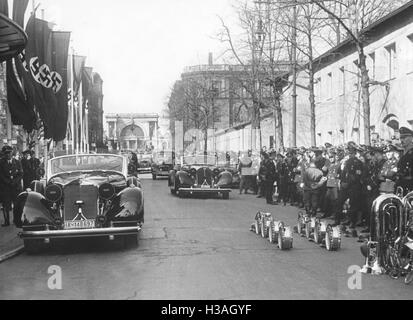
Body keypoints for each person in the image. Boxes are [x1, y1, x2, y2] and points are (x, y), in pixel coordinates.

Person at [334, 142, 364, 231]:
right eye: (349, 153)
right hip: (344, 185)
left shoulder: (358, 162)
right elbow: (341, 172)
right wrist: (342, 181)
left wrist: (348, 183)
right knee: (339, 202)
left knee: (353, 205)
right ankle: (337, 220)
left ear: (355, 153)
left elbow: (357, 176)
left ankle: (352, 222)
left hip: (353, 186)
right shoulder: (345, 162)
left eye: (351, 153)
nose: (350, 155)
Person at [0, 146, 23, 227]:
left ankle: (17, 220)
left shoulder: (17, 162)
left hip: (16, 187)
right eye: (6, 153)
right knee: (6, 205)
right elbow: (1, 175)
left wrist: (14, 181)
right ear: (4, 154)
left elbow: (20, 174)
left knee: (17, 205)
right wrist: (8, 182)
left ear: (11, 153)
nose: (7, 155)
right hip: (5, 188)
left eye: (9, 153)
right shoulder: (1, 163)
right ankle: (7, 221)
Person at [396, 127, 413, 195]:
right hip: (402, 188)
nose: (402, 140)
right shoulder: (402, 153)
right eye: (401, 138)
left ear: (411, 138)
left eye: (404, 138)